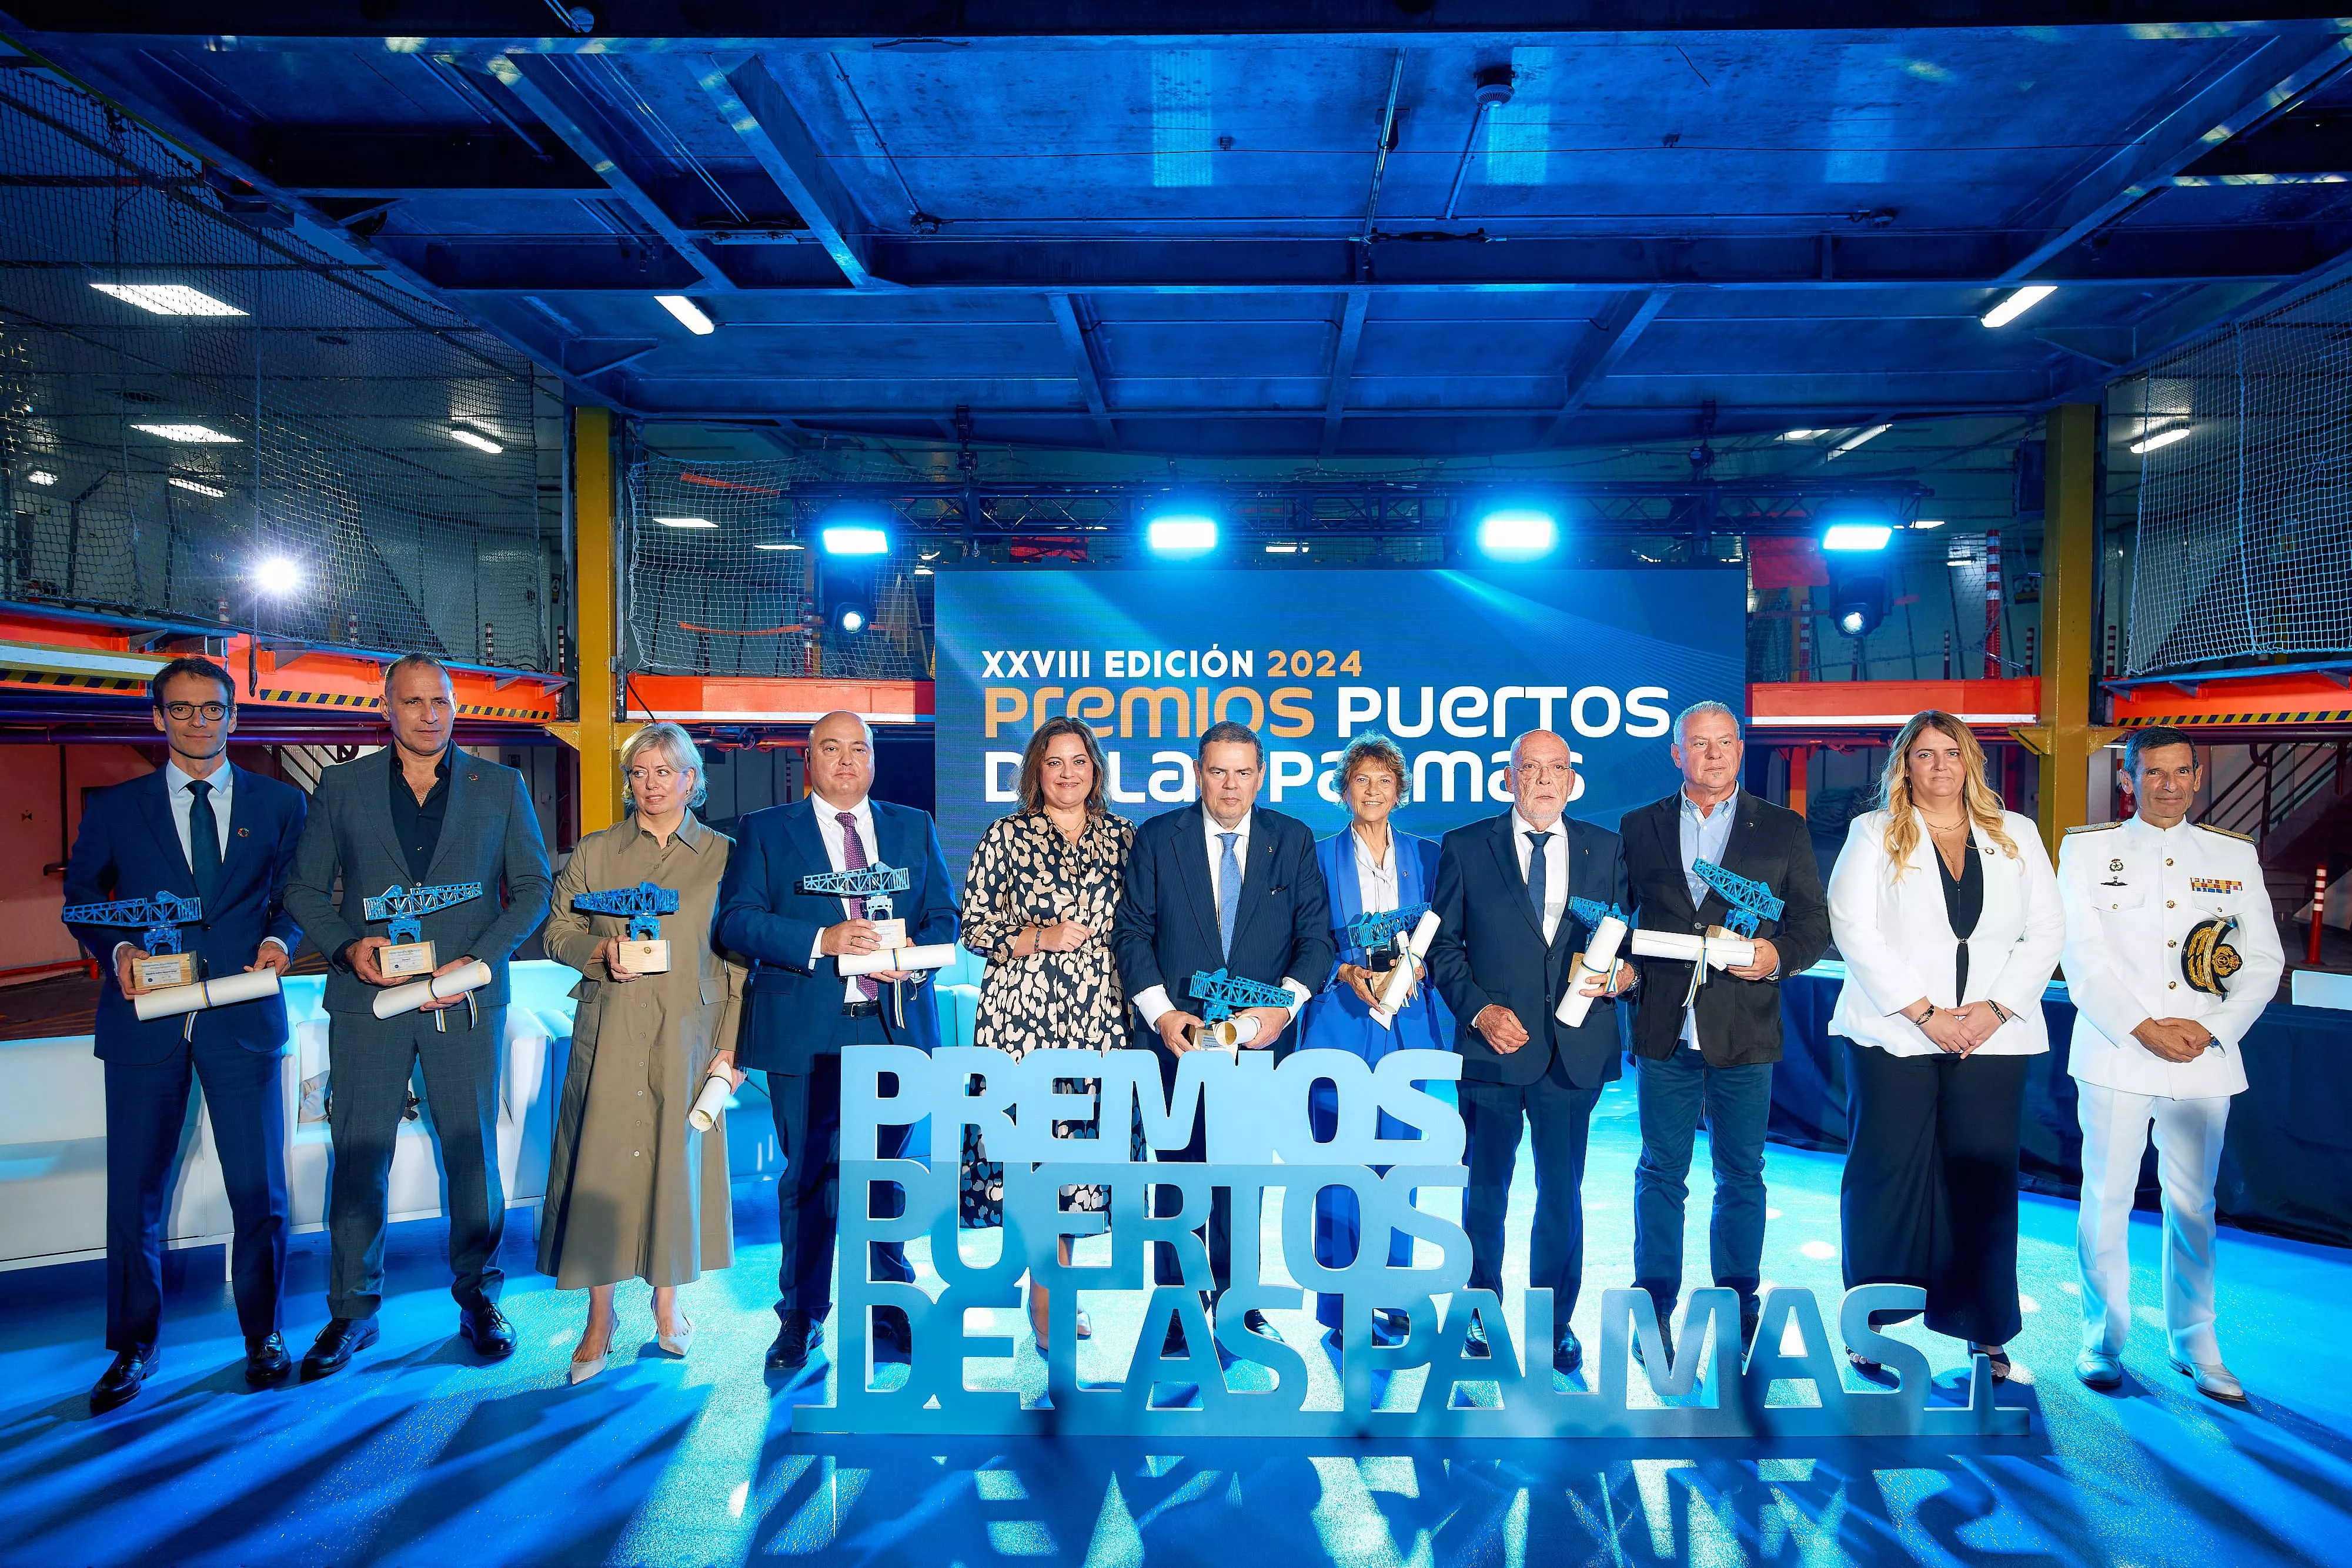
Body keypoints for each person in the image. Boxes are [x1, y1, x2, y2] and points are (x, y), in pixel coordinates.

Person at [281, 654, 553, 1379]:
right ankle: (352, 1311)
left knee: (471, 1155)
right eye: (413, 702)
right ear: (387, 709)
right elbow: (305, 890)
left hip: (464, 1002)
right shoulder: (340, 787)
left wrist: (479, 962)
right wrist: (346, 946)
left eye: (440, 701)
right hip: (369, 1001)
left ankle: (479, 1298)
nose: (429, 714)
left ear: (455, 706)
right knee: (360, 1152)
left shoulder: (501, 786)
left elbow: (532, 889)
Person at [61, 657, 306, 1411]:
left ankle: (262, 1334)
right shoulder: (115, 807)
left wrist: (284, 943)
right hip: (145, 1025)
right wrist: (122, 951)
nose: (198, 721)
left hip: (242, 1016)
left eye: (212, 708)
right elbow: (80, 897)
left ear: (235, 716)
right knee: (134, 1192)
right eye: (182, 709)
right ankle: (133, 1348)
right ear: (158, 717)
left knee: (257, 1190)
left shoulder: (278, 803)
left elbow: (294, 897)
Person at [1825, 710, 2064, 1382]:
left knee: (1983, 1180)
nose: (1939, 767)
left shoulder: (2014, 834)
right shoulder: (1872, 833)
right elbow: (1853, 928)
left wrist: (1991, 1009)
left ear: (1970, 763)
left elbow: (2046, 931)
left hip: (1992, 1034)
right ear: (1904, 766)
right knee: (1883, 1173)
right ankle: (1869, 1326)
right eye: (1924, 755)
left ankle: (1984, 1330)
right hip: (1893, 1031)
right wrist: (1926, 1013)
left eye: (1950, 754)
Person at [715, 709, 957, 1373]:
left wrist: (907, 953)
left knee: (887, 1177)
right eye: (832, 748)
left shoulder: (914, 826)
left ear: (874, 760)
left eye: (859, 748)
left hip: (894, 1027)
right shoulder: (765, 832)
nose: (847, 760)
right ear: (809, 760)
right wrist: (823, 940)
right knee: (809, 1178)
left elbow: (945, 918)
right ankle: (801, 1315)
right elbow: (735, 923)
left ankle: (889, 1303)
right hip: (807, 1033)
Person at [2057, 726, 2283, 1402]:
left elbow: (2264, 959)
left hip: (2202, 1060)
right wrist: (2142, 1026)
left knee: (2194, 1205)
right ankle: (2101, 1339)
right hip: (2117, 1052)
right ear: (2127, 780)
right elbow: (2081, 955)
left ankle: (2197, 1343)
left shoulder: (2233, 857)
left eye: (2181, 772)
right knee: (2105, 1200)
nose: (2169, 785)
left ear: (2197, 776)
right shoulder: (2087, 851)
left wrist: (2211, 1030)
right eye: (2154, 773)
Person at [1110, 719, 1334, 1349]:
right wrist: (1160, 1013)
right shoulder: (1159, 839)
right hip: (1179, 1044)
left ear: (1260, 776)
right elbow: (1131, 934)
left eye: (1243, 772)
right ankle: (1180, 1313)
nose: (1230, 785)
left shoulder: (1290, 840)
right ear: (1198, 774)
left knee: (1243, 1179)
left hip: (1258, 1043)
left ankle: (1239, 1306)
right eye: (1217, 771)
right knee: (1180, 1179)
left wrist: (1283, 1009)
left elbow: (1314, 939)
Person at [538, 724, 747, 1384]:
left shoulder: (725, 857)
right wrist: (598, 954)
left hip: (690, 1034)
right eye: (639, 773)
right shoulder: (596, 853)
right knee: (600, 1171)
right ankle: (600, 1320)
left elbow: (743, 961)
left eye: (666, 771)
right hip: (613, 1025)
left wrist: (732, 1047)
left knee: (672, 1170)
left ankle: (668, 1306)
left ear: (692, 781)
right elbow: (558, 929)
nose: (651, 784)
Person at [1621, 700, 1829, 1359]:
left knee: (1741, 1174)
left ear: (1740, 751)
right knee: (1660, 1172)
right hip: (1663, 1030)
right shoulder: (1637, 826)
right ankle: (1654, 1299)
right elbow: (1618, 922)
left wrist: (1777, 959)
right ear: (1676, 754)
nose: (1711, 755)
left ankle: (1737, 1297)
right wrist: (1617, 969)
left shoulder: (1783, 829)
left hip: (1743, 1031)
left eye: (1723, 743)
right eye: (1697, 744)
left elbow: (1811, 926)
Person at [1427, 728, 1635, 1376]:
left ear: (1573, 780)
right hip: (1491, 1052)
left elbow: (1629, 944)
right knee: (1484, 1192)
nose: (1544, 780)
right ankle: (1479, 1314)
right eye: (1531, 768)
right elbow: (1442, 945)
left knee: (1561, 1193)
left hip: (1572, 1055)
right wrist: (1481, 1011)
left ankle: (1555, 1321)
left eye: (1557, 769)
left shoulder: (1607, 849)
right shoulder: (1465, 846)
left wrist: (1624, 978)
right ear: (1509, 778)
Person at [956, 717, 1138, 1353]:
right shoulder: (1004, 837)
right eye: (1054, 762)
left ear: (1096, 770)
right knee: (1032, 1160)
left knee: (1080, 1161)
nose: (1067, 774)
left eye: (1079, 762)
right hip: (1020, 1022)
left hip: (1098, 1021)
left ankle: (1059, 1286)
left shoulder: (1124, 839)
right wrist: (1039, 936)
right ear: (1035, 770)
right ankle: (1045, 1292)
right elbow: (973, 927)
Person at [1297, 733, 1450, 1349]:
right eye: (1361, 780)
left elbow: (1449, 937)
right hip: (1339, 1024)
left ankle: (1393, 1294)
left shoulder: (1430, 857)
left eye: (1384, 781)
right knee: (1339, 1168)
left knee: (1399, 1168)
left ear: (1400, 791)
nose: (1372, 791)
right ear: (1342, 790)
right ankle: (1340, 1307)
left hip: (1407, 1028)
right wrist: (1344, 970)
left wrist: (1417, 966)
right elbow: (1304, 939)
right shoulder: (1314, 857)